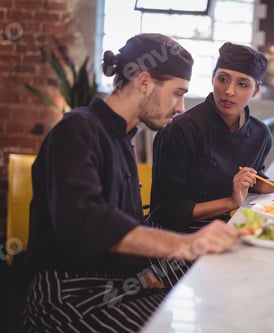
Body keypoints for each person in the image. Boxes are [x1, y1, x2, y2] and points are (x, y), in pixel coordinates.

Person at [23, 33, 240, 332]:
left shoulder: (122, 137)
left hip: (114, 282)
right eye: (177, 93)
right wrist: (186, 244)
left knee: (217, 281)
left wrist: (144, 274)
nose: (180, 108)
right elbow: (85, 223)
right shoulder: (77, 130)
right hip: (69, 295)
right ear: (144, 81)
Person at [150, 41, 274, 235]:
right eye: (223, 79)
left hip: (227, 229)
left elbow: (251, 179)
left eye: (242, 84)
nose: (229, 91)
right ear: (212, 79)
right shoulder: (179, 130)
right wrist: (231, 202)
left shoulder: (260, 134)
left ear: (256, 90)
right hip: (175, 239)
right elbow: (165, 213)